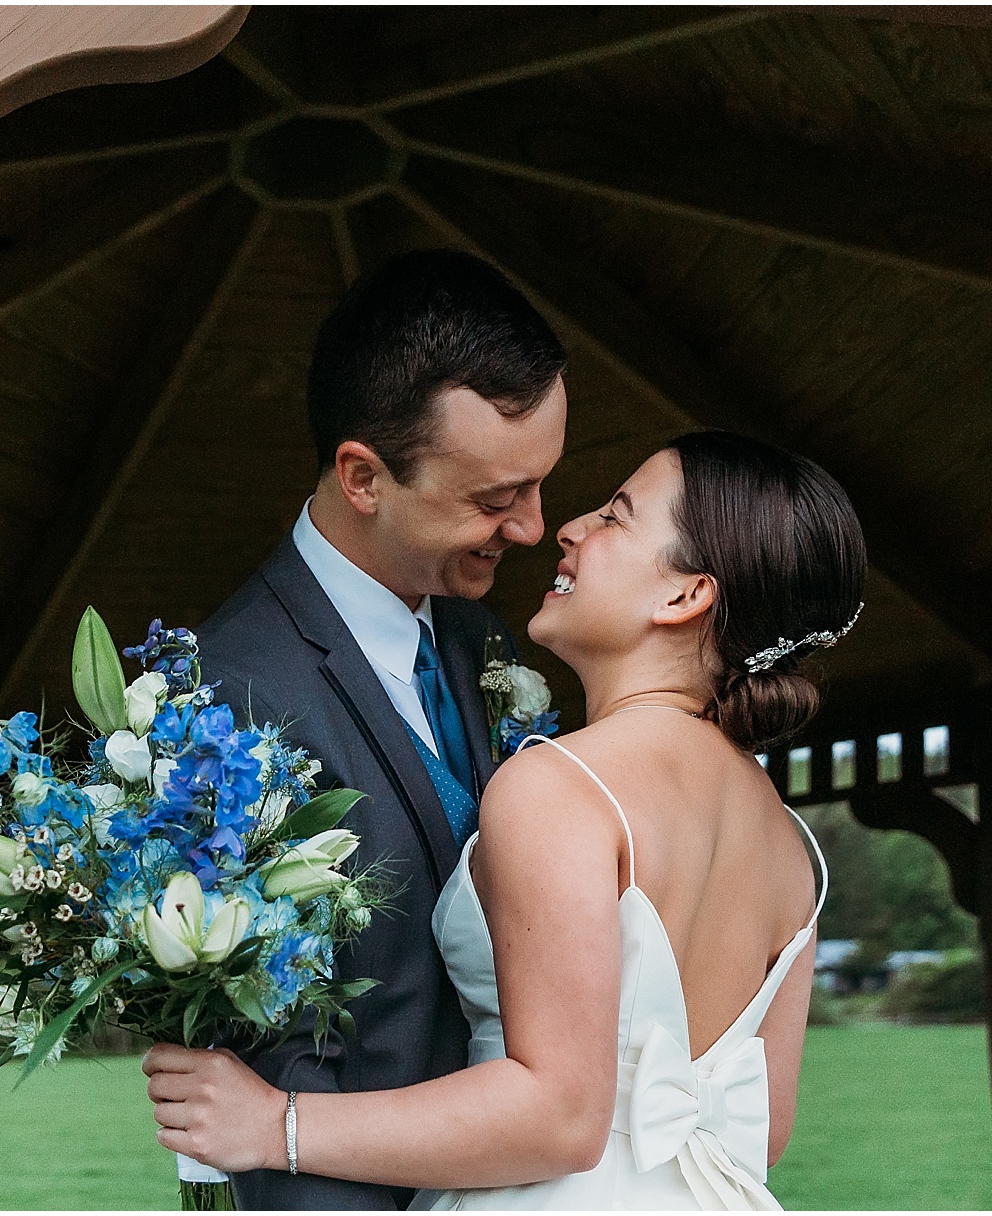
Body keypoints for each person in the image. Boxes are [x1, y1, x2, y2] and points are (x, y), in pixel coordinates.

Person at [149, 430, 866, 1210]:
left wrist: (274, 1125)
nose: (570, 528)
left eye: (616, 516)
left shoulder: (561, 786)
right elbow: (763, 1130)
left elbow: (559, 1118)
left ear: (684, 596)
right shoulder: (787, 842)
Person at [191, 248, 568, 1210]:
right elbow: (270, 1053)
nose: (534, 528)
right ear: (364, 477)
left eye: (540, 485)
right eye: (495, 499)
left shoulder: (479, 640)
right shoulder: (221, 699)